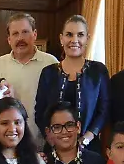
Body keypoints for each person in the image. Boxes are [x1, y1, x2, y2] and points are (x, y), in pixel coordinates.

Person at [34, 15, 109, 151]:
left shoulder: (98, 71)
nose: (74, 40)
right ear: (61, 39)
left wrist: (86, 138)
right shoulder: (48, 72)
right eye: (69, 35)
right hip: (54, 147)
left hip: (89, 147)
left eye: (80, 35)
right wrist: (51, 139)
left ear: (87, 39)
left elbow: (103, 110)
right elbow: (40, 111)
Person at [0, 13, 58, 139]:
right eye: (15, 34)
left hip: (44, 139)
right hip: (7, 139)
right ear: (9, 39)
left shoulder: (51, 63)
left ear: (34, 34)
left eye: (25, 32)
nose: (20, 38)